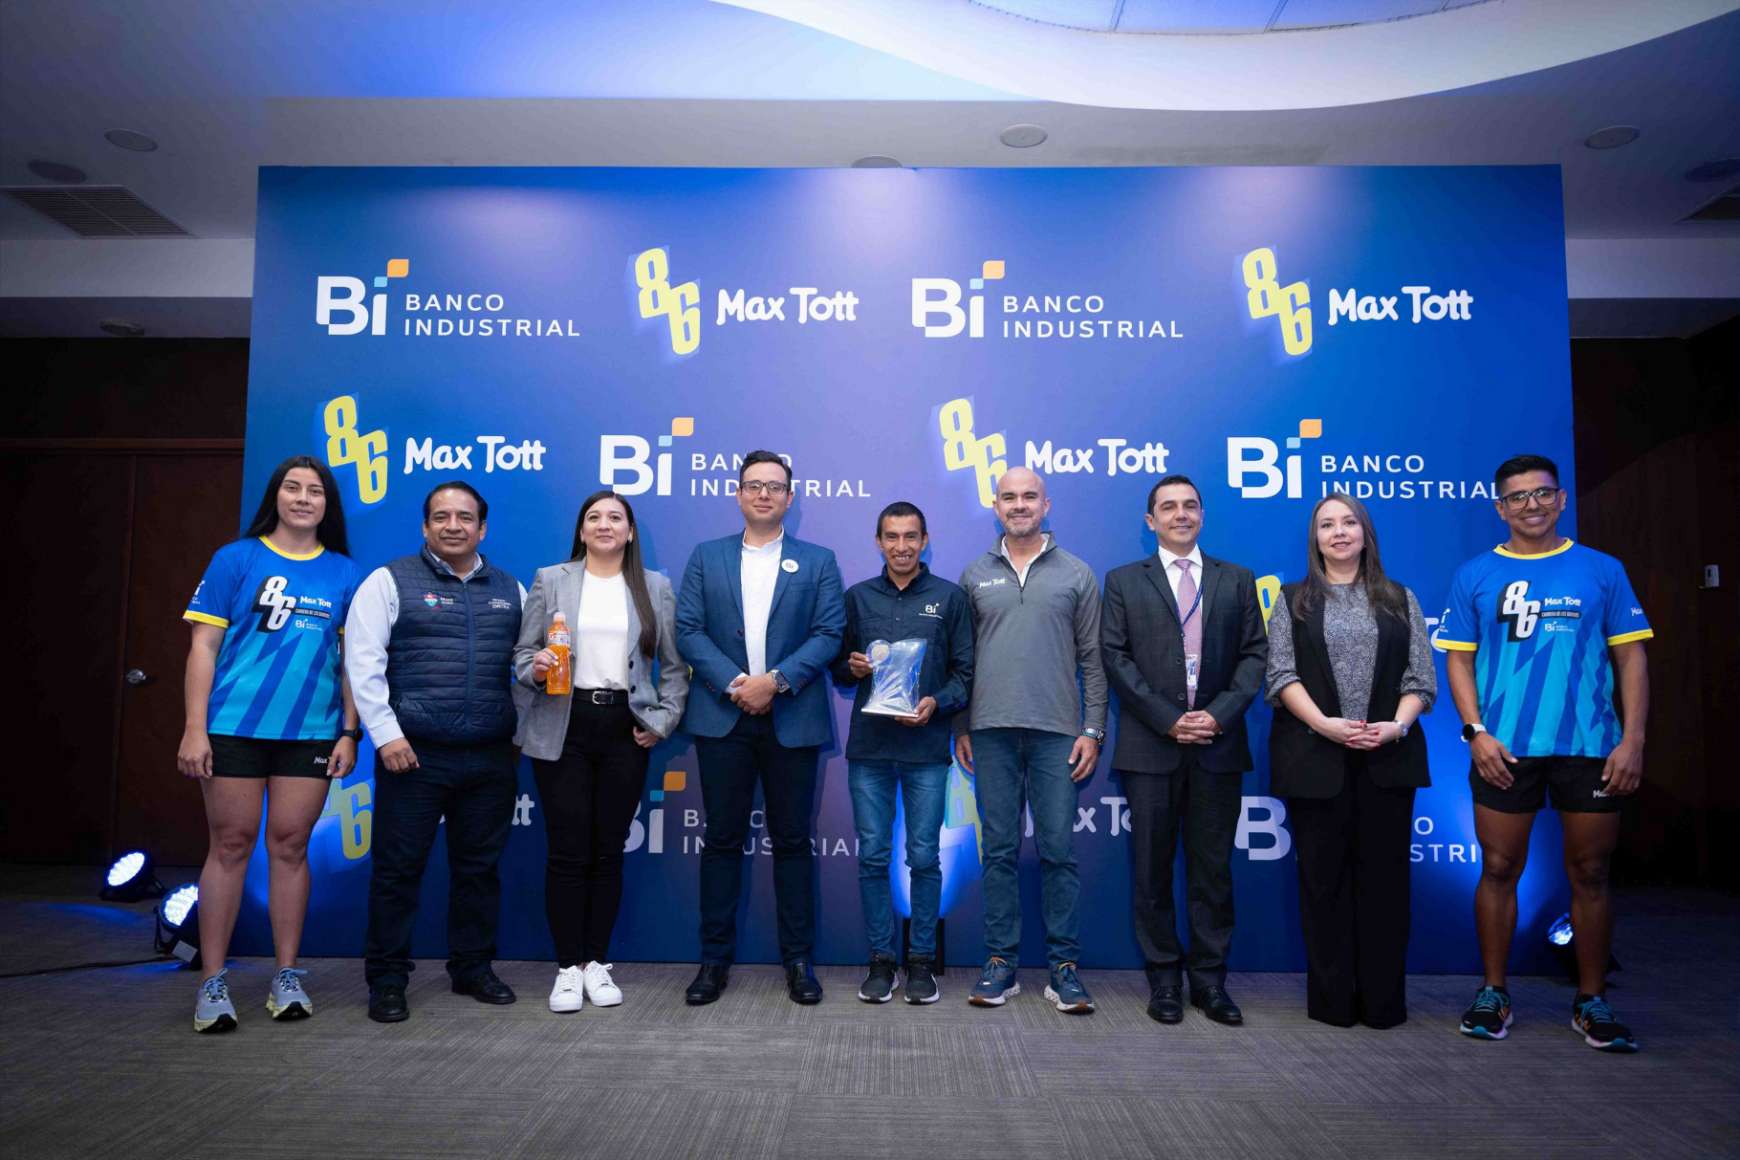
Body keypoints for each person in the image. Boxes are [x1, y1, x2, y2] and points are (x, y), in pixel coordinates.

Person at [1438, 454, 1650, 1053]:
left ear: (1561, 499)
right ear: (1499, 508)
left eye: (1541, 493)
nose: (1530, 505)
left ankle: (1592, 999)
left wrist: (1633, 741)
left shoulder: (1602, 570)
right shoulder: (1476, 574)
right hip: (1504, 748)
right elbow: (1458, 659)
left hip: (1591, 746)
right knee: (1498, 868)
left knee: (1592, 872)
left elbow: (1631, 656)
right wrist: (1475, 732)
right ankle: (1493, 993)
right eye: (1517, 497)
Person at [178, 455, 362, 1033]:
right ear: (275, 496)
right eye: (292, 487)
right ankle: (212, 980)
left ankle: (286, 975)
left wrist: (349, 731)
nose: (303, 498)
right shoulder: (236, 559)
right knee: (230, 846)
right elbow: (203, 647)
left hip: (310, 732)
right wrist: (194, 727)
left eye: (315, 491)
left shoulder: (345, 573)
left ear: (327, 505)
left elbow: (353, 664)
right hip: (233, 727)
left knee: (290, 847)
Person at [344, 481, 529, 1024]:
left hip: (490, 756)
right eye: (442, 516)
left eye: (465, 517)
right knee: (398, 871)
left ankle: (472, 967)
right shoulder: (388, 581)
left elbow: (524, 668)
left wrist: (518, 735)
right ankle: (387, 979)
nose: (454, 526)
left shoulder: (512, 590)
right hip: (414, 755)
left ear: (482, 529)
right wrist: (387, 736)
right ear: (425, 526)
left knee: (479, 870)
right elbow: (363, 663)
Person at [675, 450, 845, 1006]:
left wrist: (774, 682)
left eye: (774, 486)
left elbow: (828, 633)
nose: (764, 494)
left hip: (791, 718)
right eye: (754, 485)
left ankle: (798, 961)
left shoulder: (818, 561)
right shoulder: (707, 557)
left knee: (793, 841)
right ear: (738, 494)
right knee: (722, 840)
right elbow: (688, 630)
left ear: (790, 498)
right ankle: (713, 961)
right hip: (723, 718)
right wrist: (736, 684)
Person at [1100, 474, 1267, 1026]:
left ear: (1202, 514)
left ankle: (1210, 983)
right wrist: (1169, 720)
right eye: (1168, 507)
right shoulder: (1124, 581)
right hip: (1151, 748)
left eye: (1190, 505)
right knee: (1151, 872)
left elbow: (1255, 656)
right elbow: (1115, 658)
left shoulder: (1236, 579)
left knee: (1212, 872)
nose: (1180, 514)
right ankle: (1165, 981)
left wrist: (1217, 715)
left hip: (1218, 746)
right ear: (1150, 521)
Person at [513, 490, 687, 1013]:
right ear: (581, 530)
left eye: (615, 517)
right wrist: (535, 666)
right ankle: (567, 968)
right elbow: (522, 654)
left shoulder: (655, 587)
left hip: (624, 728)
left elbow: (675, 667)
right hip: (562, 724)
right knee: (567, 851)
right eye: (594, 517)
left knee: (608, 850)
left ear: (630, 532)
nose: (604, 525)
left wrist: (662, 721)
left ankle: (596, 962)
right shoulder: (551, 579)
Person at [1265, 493, 1435, 1028]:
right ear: (1315, 539)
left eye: (1348, 523)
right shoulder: (1292, 600)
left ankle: (1383, 1004)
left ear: (1365, 534)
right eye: (1326, 525)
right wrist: (1325, 725)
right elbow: (1280, 676)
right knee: (1323, 887)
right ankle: (1332, 1003)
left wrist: (1398, 726)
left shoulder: (1399, 598)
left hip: (1388, 760)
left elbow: (1421, 678)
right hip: (1315, 760)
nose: (1338, 532)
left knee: (1385, 887)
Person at [956, 466, 1106, 1014]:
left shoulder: (1077, 574)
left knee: (1058, 851)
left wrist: (1093, 730)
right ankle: (1001, 963)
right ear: (995, 506)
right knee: (997, 850)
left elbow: (1093, 660)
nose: (1019, 505)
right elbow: (962, 660)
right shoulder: (974, 574)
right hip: (990, 733)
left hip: (1057, 735)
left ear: (1046, 505)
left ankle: (1064, 967)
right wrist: (960, 725)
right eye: (1008, 497)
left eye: (1029, 497)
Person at [833, 501, 974, 1005]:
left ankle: (920, 963)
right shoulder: (857, 598)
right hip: (870, 749)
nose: (901, 546)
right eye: (891, 537)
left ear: (925, 539)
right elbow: (837, 668)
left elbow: (965, 673)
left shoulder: (950, 598)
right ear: (878, 542)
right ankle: (880, 961)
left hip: (926, 748)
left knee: (924, 858)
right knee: (873, 857)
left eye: (910, 536)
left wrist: (938, 703)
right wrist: (851, 667)